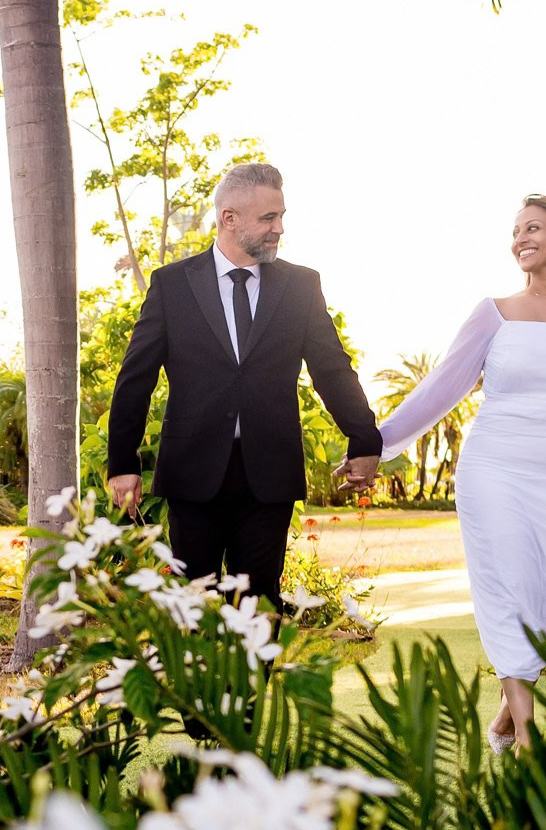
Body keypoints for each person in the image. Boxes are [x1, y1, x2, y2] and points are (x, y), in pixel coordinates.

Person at [375, 194, 546, 752]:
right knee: (510, 589)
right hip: (495, 470)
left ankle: (502, 717)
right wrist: (377, 445)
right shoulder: (492, 313)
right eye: (515, 230)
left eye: (533, 228)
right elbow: (441, 389)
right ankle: (527, 733)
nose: (520, 237)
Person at [102, 163, 382, 610]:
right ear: (229, 218)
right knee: (191, 606)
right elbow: (136, 377)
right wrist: (122, 463)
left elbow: (331, 368)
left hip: (268, 474)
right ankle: (198, 683)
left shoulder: (300, 286)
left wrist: (365, 438)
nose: (280, 229)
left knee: (260, 605)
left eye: (281, 216)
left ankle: (253, 685)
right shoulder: (172, 285)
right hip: (193, 474)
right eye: (269, 218)